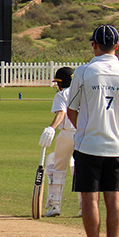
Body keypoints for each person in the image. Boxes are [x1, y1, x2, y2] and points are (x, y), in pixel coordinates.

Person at [66, 24, 119, 237]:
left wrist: (86, 130)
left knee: (90, 198)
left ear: (94, 45)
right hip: (117, 145)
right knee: (114, 198)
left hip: (89, 145)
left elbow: (72, 110)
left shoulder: (84, 72)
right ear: (117, 46)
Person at [38, 66, 80, 217]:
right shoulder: (83, 93)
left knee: (58, 168)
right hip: (84, 134)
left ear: (61, 83)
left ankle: (55, 205)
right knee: (80, 168)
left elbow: (61, 113)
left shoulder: (62, 95)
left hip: (67, 134)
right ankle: (84, 208)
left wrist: (51, 128)